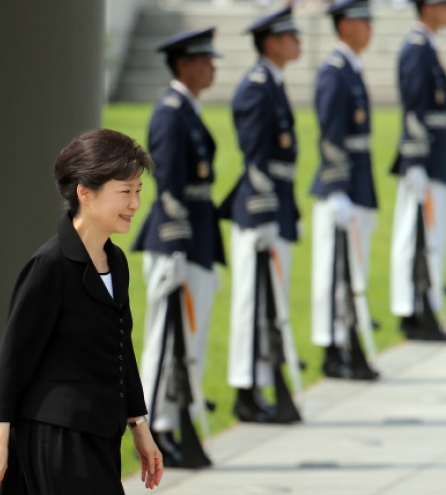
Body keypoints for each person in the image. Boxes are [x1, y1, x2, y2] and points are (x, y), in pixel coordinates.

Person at [0, 129, 163, 494]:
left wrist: (139, 426)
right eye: (125, 192)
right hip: (59, 436)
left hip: (101, 435)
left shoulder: (116, 261)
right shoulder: (50, 265)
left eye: (138, 192)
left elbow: (121, 349)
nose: (135, 204)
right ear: (85, 193)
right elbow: (15, 356)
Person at [132, 27, 225, 468]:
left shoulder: (186, 109)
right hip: (178, 242)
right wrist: (176, 248)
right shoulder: (171, 112)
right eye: (205, 59)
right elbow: (167, 184)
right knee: (166, 343)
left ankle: (172, 421)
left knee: (188, 341)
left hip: (197, 238)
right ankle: (155, 430)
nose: (212, 67)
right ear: (185, 64)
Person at [220, 6, 303, 423]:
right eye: (291, 35)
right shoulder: (257, 87)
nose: (298, 40)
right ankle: (245, 389)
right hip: (259, 211)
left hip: (276, 207)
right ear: (271, 42)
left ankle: (261, 382)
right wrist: (268, 212)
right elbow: (256, 159)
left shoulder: (273, 83)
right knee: (252, 303)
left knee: (271, 302)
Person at [309, 0, 380, 380]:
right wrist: (336, 187)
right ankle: (334, 348)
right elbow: (330, 134)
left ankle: (348, 339)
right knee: (335, 272)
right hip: (343, 188)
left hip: (358, 184)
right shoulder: (335, 72)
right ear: (346, 25)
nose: (370, 28)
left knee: (353, 270)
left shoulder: (351, 69)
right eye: (364, 21)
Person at [390, 0, 446, 340]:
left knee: (431, 237)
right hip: (424, 158)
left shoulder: (428, 46)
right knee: (415, 236)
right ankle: (411, 309)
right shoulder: (417, 49)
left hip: (435, 154)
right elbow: (413, 109)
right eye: (444, 4)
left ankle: (424, 305)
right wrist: (415, 160)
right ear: (428, 7)